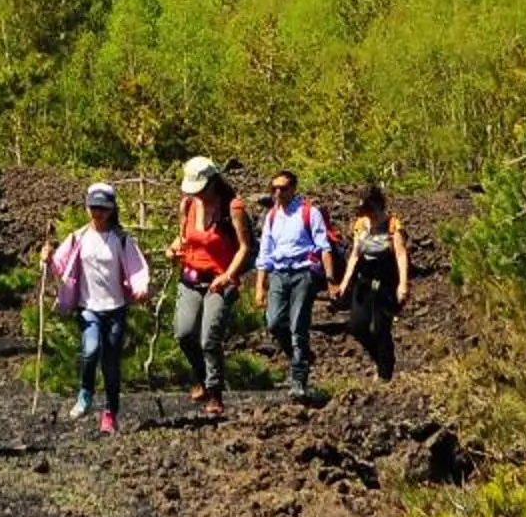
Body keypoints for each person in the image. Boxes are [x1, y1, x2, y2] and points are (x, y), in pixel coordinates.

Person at [48, 185, 153, 433]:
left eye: (103, 208)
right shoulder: (77, 237)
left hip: (115, 308)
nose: (97, 212)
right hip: (88, 306)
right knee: (91, 348)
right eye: (93, 207)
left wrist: (141, 288)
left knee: (110, 363)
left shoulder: (122, 239)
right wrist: (47, 258)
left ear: (111, 209)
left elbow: (137, 268)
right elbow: (57, 265)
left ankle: (110, 412)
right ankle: (85, 393)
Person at [168, 158, 252, 421]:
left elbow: (244, 247)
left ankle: (214, 391)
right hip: (191, 278)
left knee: (209, 339)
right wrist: (173, 249)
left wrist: (228, 275)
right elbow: (184, 237)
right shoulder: (188, 205)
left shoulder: (233, 207)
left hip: (220, 280)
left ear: (213, 182)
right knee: (183, 333)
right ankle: (201, 378)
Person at [252, 170, 334, 404]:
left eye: (283, 188)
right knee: (274, 322)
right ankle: (301, 356)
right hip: (279, 272)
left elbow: (323, 247)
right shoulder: (270, 217)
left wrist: (330, 280)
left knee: (299, 324)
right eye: (274, 188)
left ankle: (299, 378)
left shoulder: (309, 213)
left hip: (303, 272)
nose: (278, 192)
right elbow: (264, 253)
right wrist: (260, 286)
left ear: (293, 188)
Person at [330, 185, 410, 383]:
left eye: (370, 210)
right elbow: (355, 255)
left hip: (386, 280)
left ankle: (385, 372)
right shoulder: (360, 225)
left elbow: (401, 254)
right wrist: (344, 283)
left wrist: (403, 284)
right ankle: (381, 359)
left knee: (380, 327)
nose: (369, 215)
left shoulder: (392, 224)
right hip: (364, 280)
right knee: (357, 326)